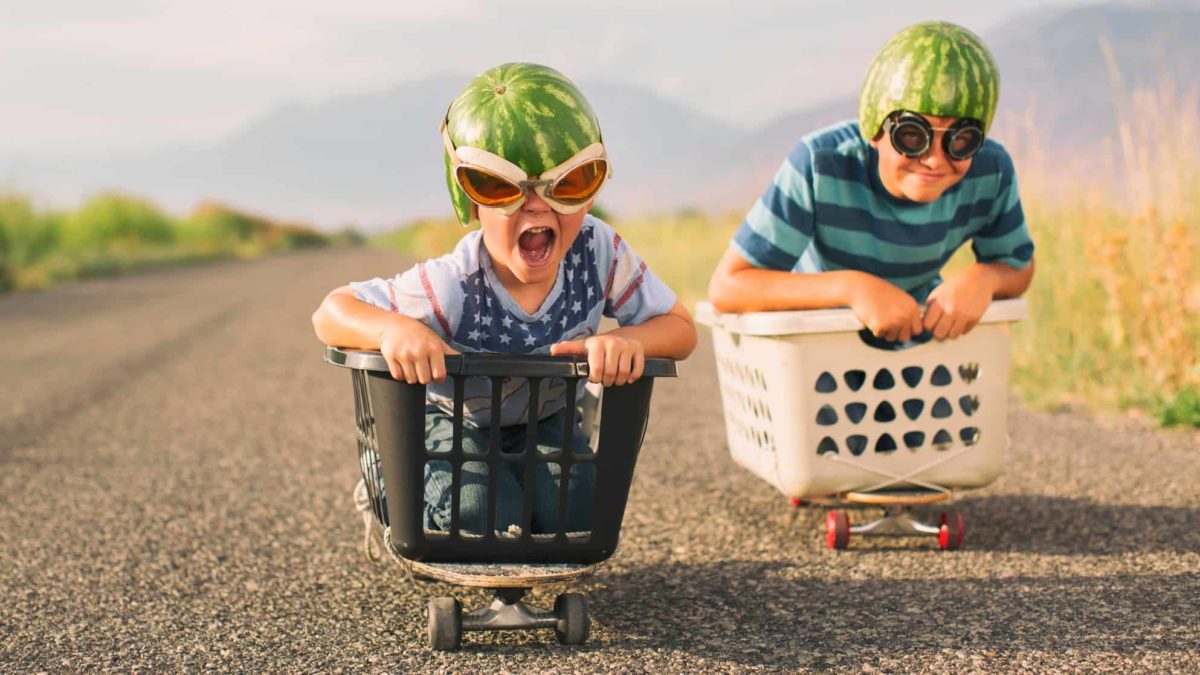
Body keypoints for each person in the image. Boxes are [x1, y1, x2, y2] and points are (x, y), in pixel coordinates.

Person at [313, 63, 696, 537]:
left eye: (569, 184)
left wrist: (632, 340)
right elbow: (331, 311)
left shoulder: (600, 254)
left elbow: (680, 328)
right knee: (479, 514)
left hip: (547, 417)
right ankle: (387, 479)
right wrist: (395, 330)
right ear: (469, 200)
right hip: (452, 422)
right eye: (501, 188)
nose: (538, 206)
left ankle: (520, 504)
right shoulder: (452, 284)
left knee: (579, 516)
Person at [708, 21, 1035, 345]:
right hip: (814, 346)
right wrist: (853, 288)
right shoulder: (821, 165)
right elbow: (728, 286)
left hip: (916, 350)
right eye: (912, 135)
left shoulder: (989, 170)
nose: (935, 159)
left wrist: (984, 279)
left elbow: (1018, 267)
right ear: (874, 127)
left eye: (961, 139)